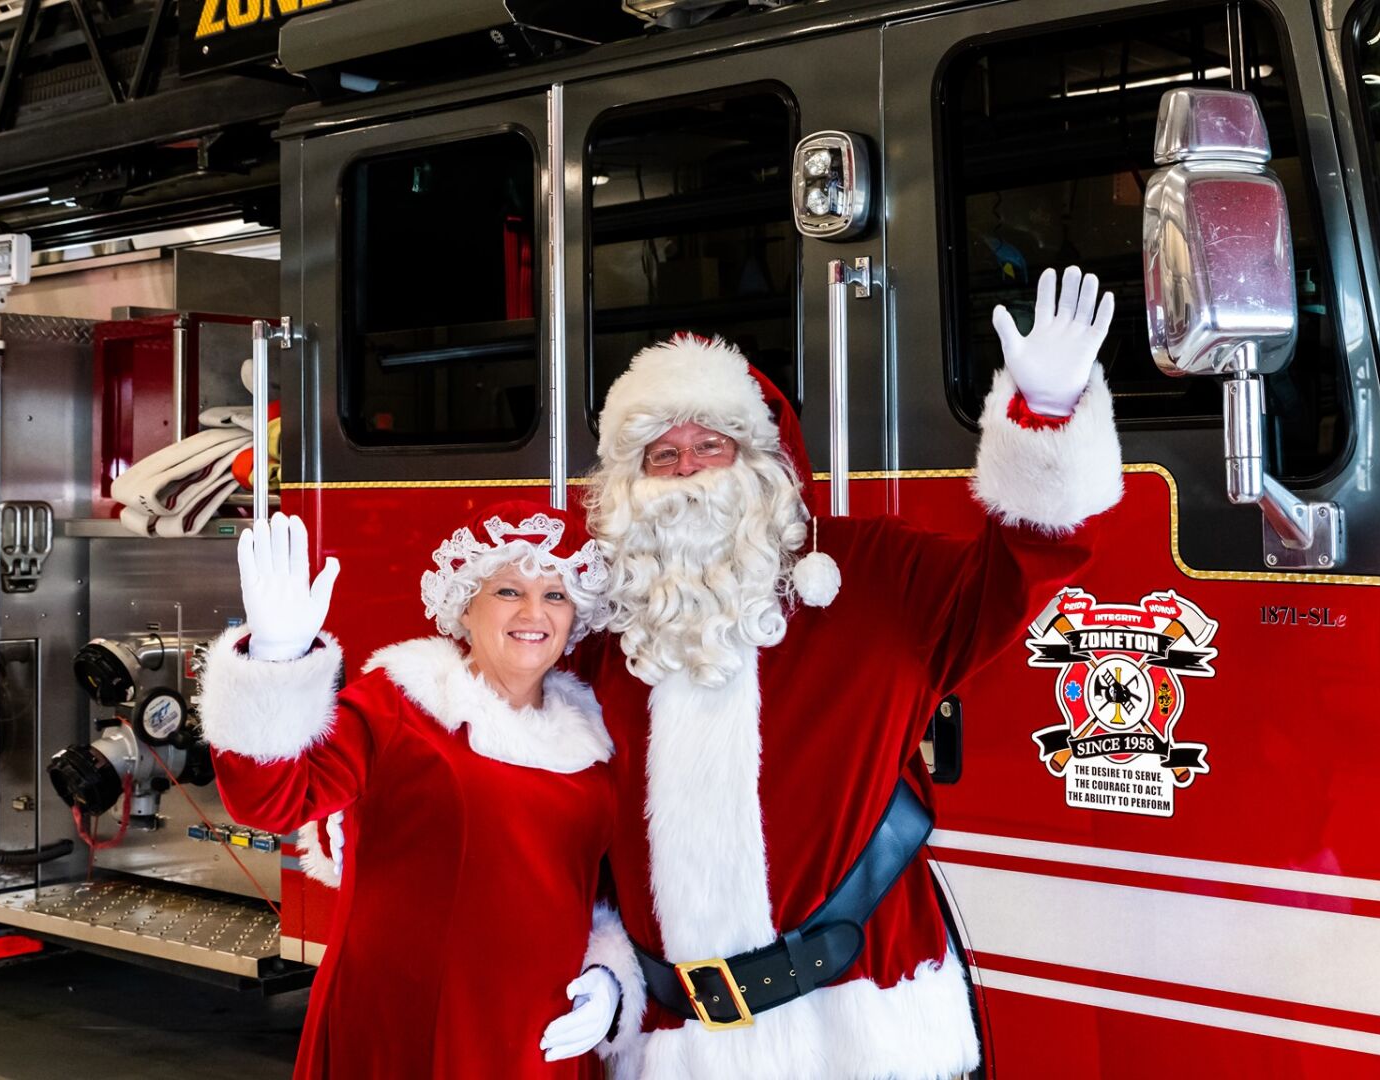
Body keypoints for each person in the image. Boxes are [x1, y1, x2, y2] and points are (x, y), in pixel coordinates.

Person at [576, 266, 1121, 1078]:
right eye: (662, 454)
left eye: (710, 445)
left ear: (762, 460)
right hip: (673, 1043)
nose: (687, 469)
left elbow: (1024, 570)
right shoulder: (598, 623)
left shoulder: (871, 578)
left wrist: (1044, 418)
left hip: (864, 1030)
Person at [197, 503, 641, 1078]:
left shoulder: (595, 742)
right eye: (509, 590)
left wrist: (610, 978)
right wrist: (274, 663)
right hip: (407, 1025)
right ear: (466, 605)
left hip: (543, 1036)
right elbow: (270, 800)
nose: (534, 613)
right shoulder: (399, 705)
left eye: (555, 595)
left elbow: (604, 888)